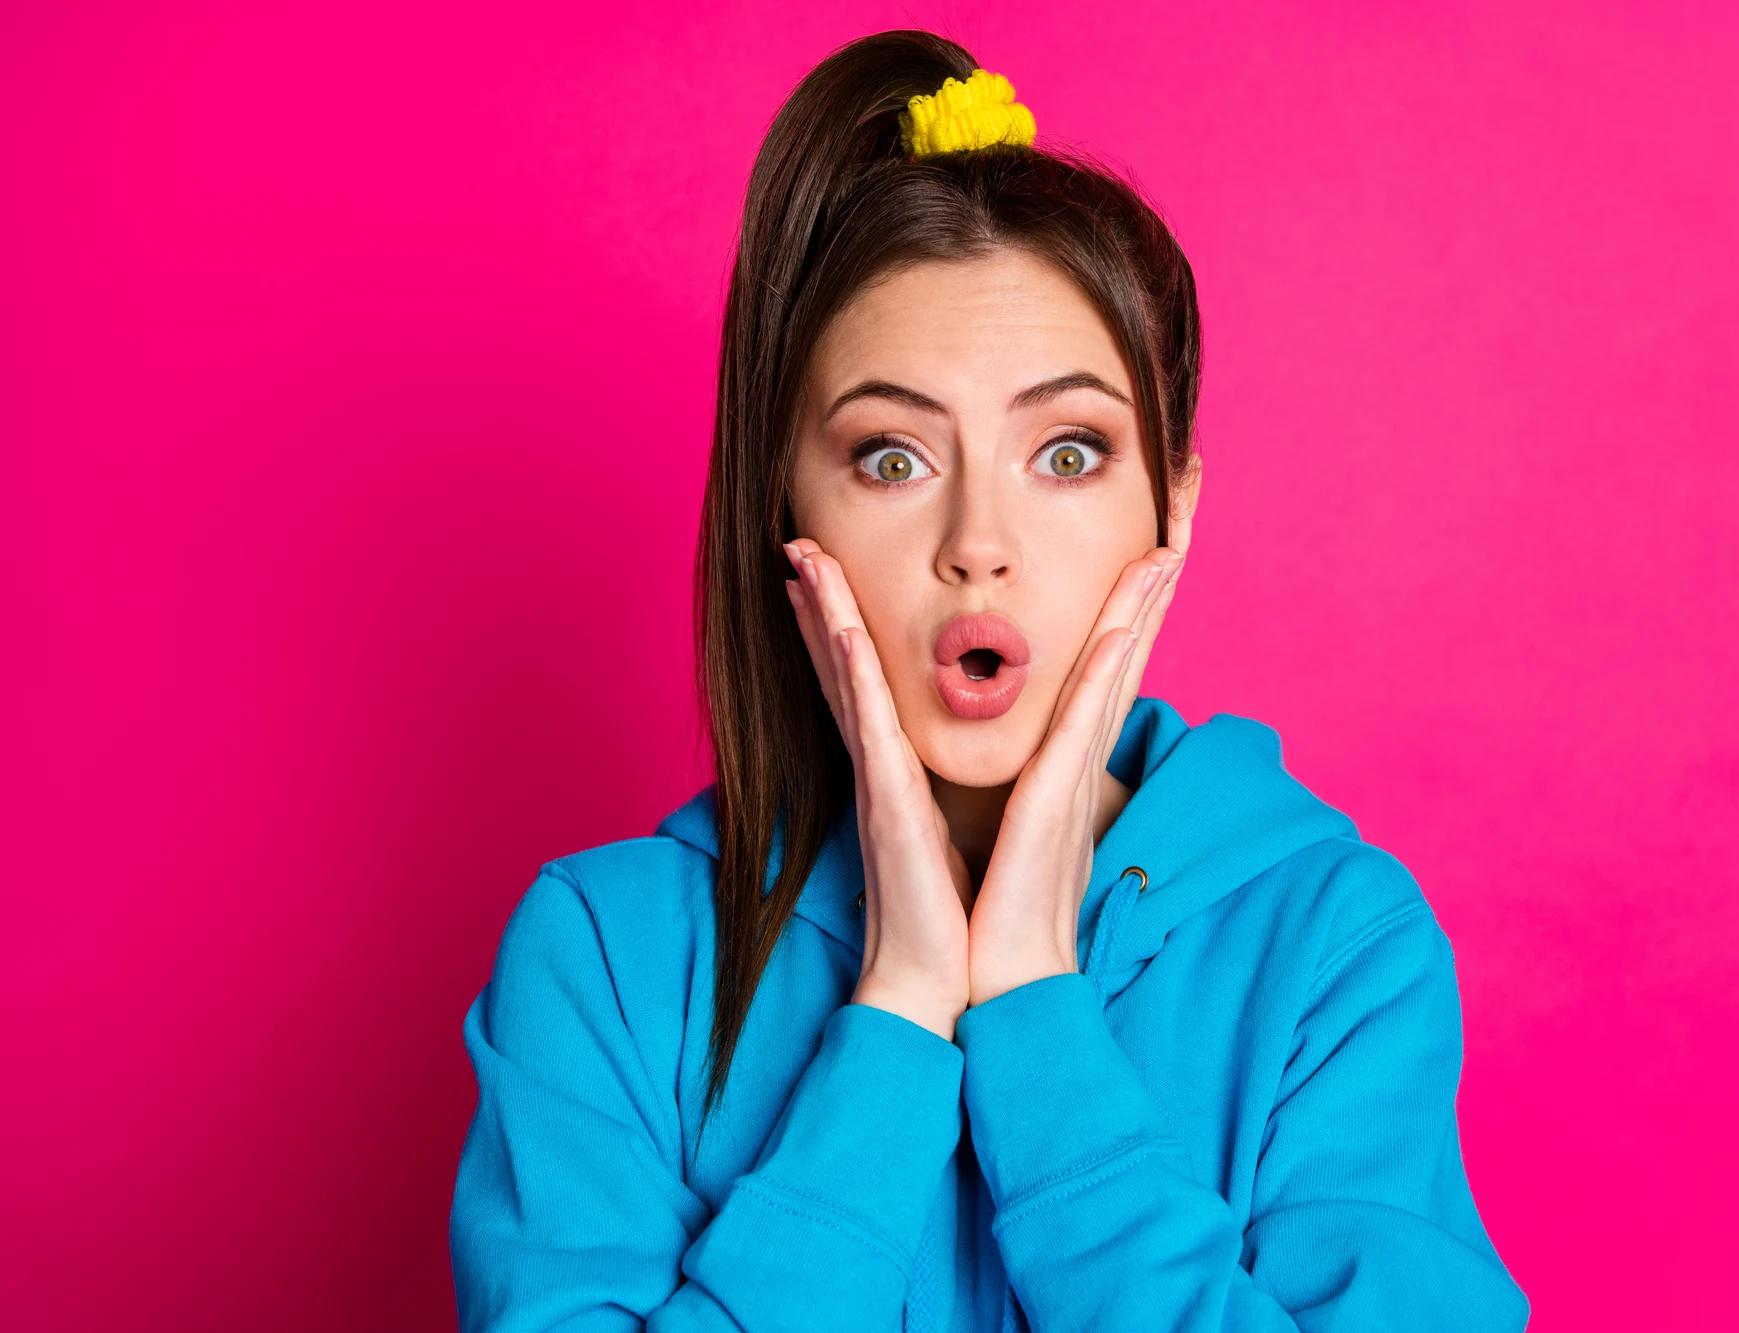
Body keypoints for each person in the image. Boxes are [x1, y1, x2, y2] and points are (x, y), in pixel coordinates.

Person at [448, 29, 1528, 1333]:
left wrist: (1033, 1007)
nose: (979, 545)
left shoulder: (1330, 947)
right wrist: (900, 1014)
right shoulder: (607, 960)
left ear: (1169, 509)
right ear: (783, 506)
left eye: (1067, 453)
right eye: (893, 457)